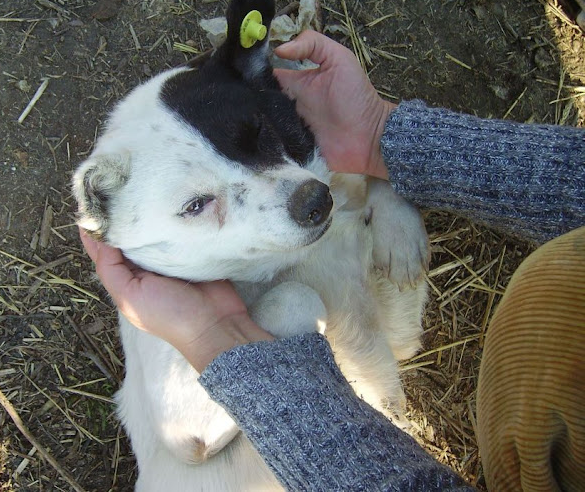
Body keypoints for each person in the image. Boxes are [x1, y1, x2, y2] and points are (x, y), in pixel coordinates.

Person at [80, 28, 584, 491]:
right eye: (196, 206)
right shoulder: (164, 275)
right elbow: (191, 434)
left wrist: (386, 176)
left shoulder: (274, 189)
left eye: (257, 138)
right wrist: (381, 142)